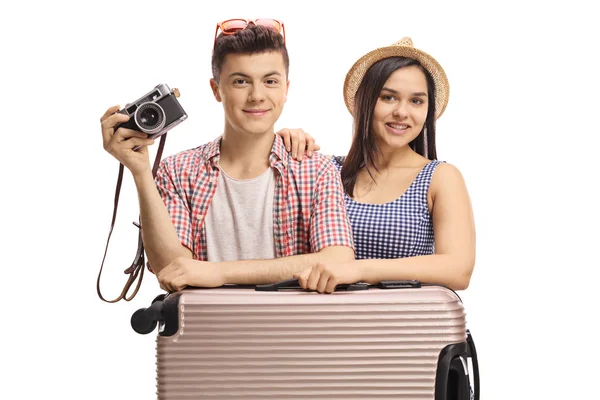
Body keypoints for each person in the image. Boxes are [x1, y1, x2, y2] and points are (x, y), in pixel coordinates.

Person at [99, 19, 354, 292]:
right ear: (216, 89)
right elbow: (172, 269)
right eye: (241, 81)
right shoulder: (177, 171)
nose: (257, 95)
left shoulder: (315, 169)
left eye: (270, 81)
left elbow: (338, 261)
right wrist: (140, 172)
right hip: (205, 331)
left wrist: (218, 272)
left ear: (286, 89)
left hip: (292, 330)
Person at [278, 37, 475, 293]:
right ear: (365, 102)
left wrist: (358, 269)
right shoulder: (327, 171)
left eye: (416, 101)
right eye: (389, 97)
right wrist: (280, 144)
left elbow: (458, 270)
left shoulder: (439, 177)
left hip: (400, 325)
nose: (402, 112)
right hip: (323, 324)